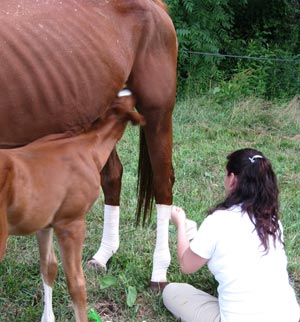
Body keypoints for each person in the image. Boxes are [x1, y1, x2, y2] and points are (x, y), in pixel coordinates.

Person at [163, 148, 300, 322]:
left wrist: (180, 224)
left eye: (226, 174)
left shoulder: (218, 221)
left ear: (233, 179)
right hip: (289, 316)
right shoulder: (272, 222)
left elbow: (186, 265)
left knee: (172, 292)